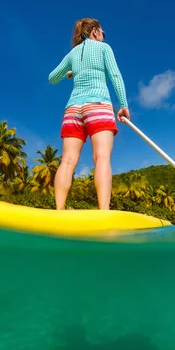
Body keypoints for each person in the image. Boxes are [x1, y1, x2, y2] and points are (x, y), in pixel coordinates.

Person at [48, 17, 130, 210]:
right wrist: (124, 105)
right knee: (101, 157)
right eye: (103, 32)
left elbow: (52, 78)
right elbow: (115, 75)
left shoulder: (73, 53)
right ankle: (103, 211)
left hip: (73, 110)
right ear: (94, 31)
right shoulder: (104, 48)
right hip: (98, 105)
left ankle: (58, 211)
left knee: (67, 161)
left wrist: (70, 73)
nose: (103, 36)